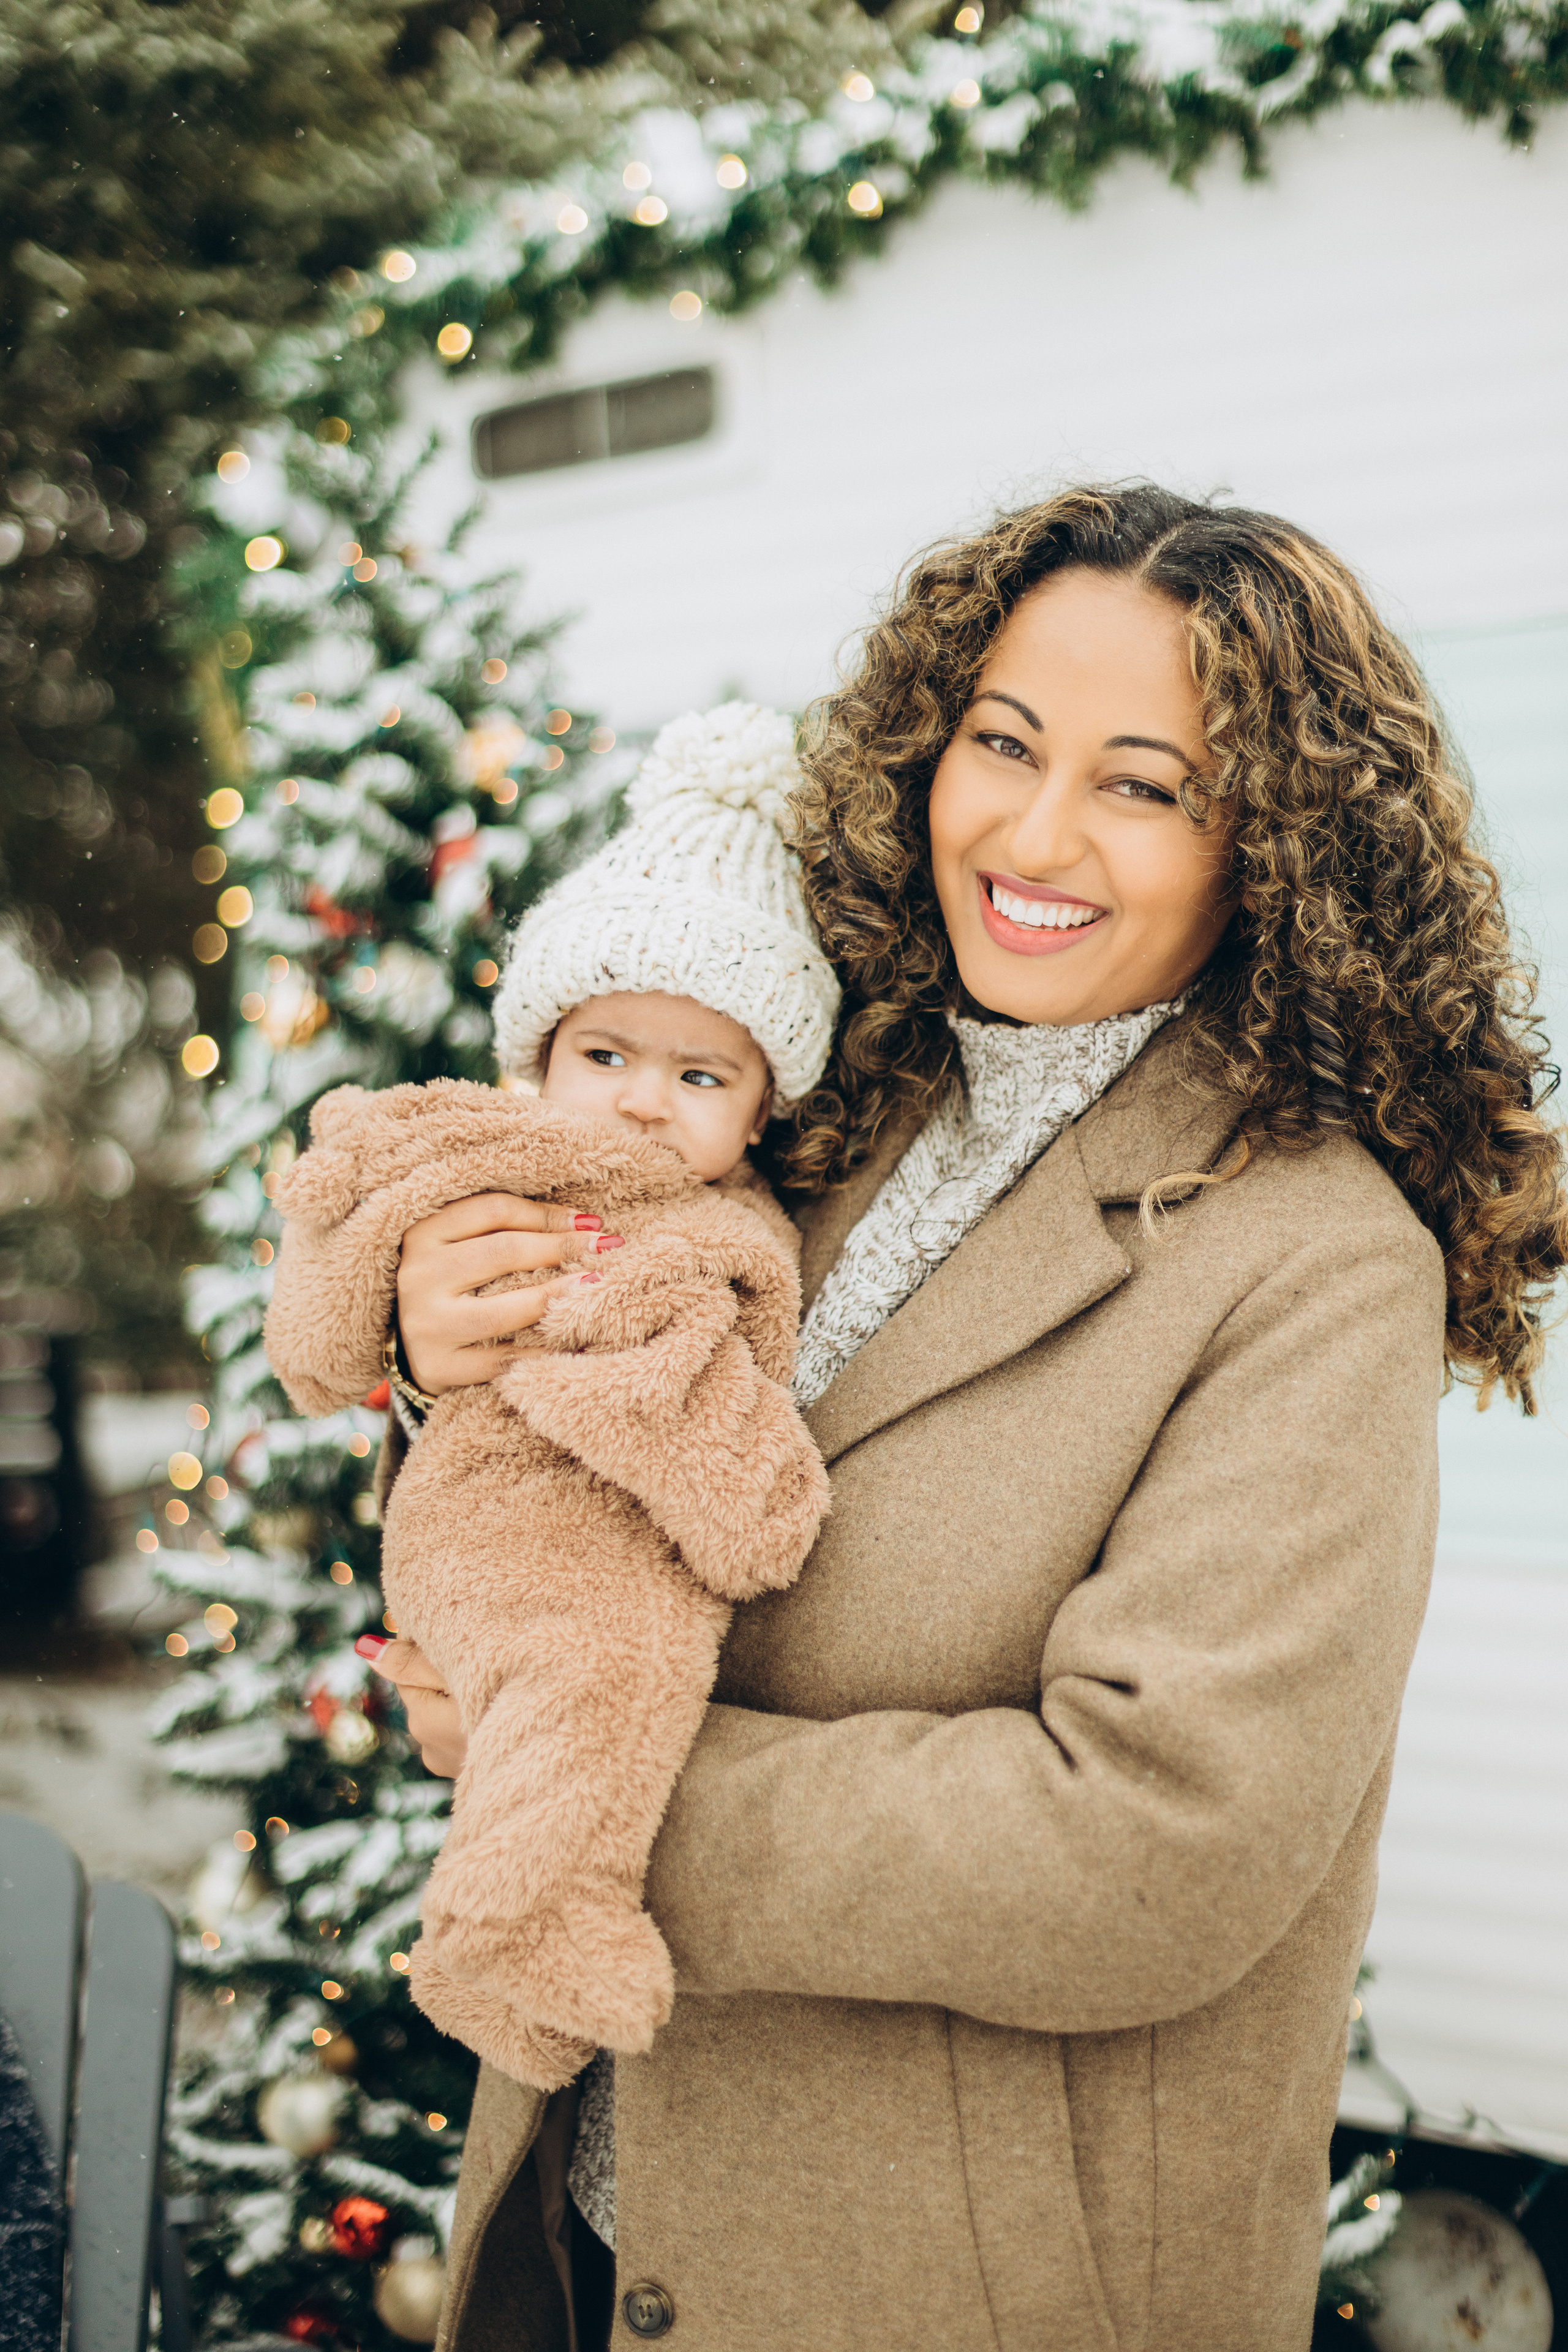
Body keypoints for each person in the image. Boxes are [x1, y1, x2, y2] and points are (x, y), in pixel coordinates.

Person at [378, 486, 1567, 2352]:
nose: (1031, 831)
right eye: (1001, 744)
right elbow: (618, 1460)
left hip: (953, 2287)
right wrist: (449, 1362)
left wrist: (584, 1777)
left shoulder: (1314, 1258)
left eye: (1144, 783)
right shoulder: (818, 1095)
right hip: (603, 2216)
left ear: (1277, 844)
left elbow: (1150, 1848)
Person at [265, 703, 837, 2100]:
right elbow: (334, 1232)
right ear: (541, 1052)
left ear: (760, 1105)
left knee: (605, 1688)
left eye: (698, 1075)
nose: (643, 1104)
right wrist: (376, 1319)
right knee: (611, 1673)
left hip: (582, 1534)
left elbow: (687, 1379)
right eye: (606, 1057)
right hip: (494, 1521)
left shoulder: (734, 1232)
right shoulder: (472, 1142)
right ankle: (518, 1929)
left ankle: (515, 1926)